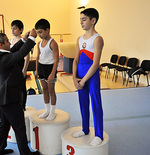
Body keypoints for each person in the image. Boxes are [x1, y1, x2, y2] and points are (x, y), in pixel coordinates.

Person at [0, 29, 40, 155]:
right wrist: (32, 39)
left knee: (4, 125)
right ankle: (25, 153)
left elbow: (13, 50)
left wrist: (23, 39)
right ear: (1, 45)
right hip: (9, 99)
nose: (9, 43)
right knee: (19, 127)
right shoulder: (1, 59)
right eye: (7, 41)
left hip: (4, 98)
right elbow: (19, 54)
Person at [72, 8, 104, 146]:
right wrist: (74, 78)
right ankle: (85, 129)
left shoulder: (97, 39)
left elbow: (96, 64)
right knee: (83, 103)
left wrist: (84, 80)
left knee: (96, 104)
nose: (81, 22)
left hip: (91, 76)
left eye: (84, 19)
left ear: (93, 20)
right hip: (80, 75)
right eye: (80, 19)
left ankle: (98, 134)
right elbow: (75, 60)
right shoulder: (79, 39)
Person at [34, 19, 59, 121]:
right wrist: (36, 70)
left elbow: (56, 59)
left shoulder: (53, 43)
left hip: (50, 68)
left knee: (51, 90)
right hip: (41, 67)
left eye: (40, 32)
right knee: (44, 90)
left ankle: (52, 111)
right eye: (37, 32)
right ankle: (47, 110)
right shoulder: (39, 43)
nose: (39, 34)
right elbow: (37, 57)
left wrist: (53, 73)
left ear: (47, 30)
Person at [10, 20, 30, 110]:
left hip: (20, 65)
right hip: (12, 66)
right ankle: (15, 104)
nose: (12, 30)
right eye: (11, 28)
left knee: (22, 87)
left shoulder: (24, 41)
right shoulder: (11, 40)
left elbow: (27, 57)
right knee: (14, 86)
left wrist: (24, 69)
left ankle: (23, 106)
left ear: (21, 30)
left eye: (15, 28)